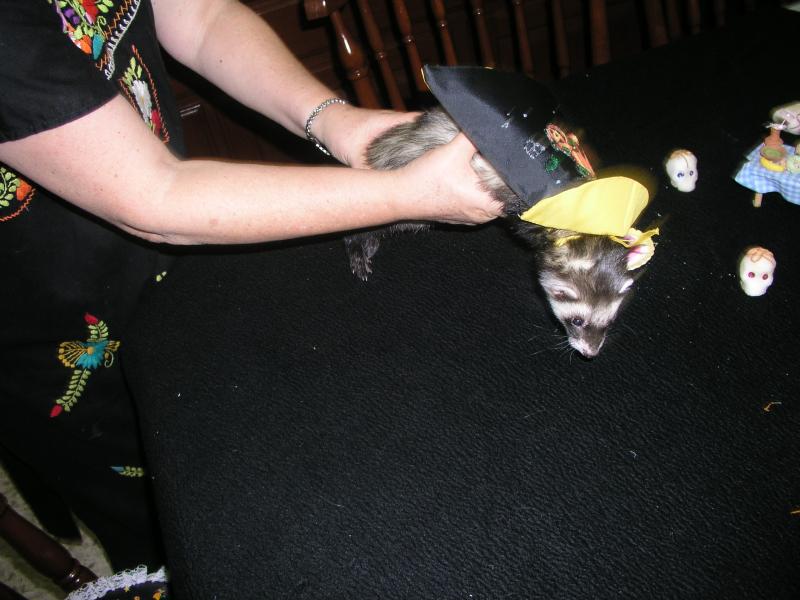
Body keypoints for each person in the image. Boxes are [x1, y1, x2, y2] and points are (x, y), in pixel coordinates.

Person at [0, 0, 502, 578]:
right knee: (170, 523)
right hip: (50, 331)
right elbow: (156, 198)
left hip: (175, 260)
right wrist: (408, 195)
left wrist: (336, 121)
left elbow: (203, 17)